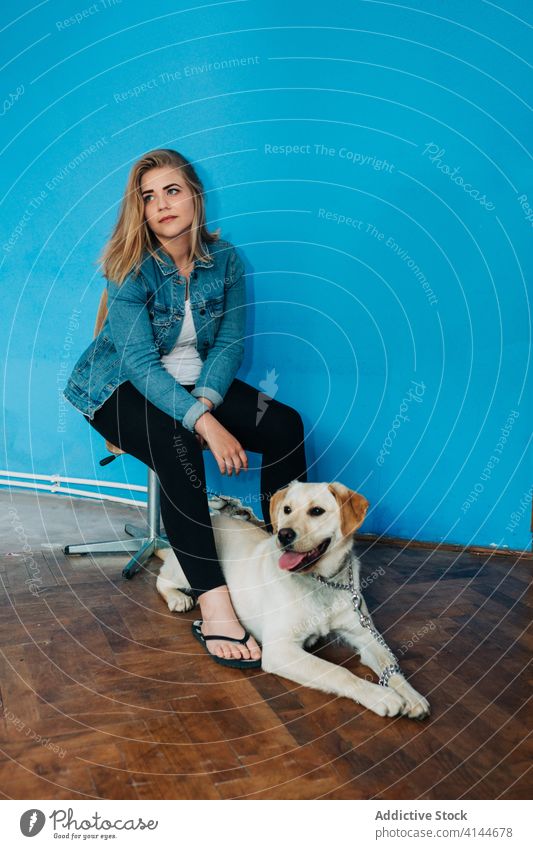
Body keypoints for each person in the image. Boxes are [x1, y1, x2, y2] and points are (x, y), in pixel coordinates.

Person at [63, 148, 308, 668]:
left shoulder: (228, 261)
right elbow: (138, 365)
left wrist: (205, 404)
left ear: (194, 196)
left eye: (171, 191)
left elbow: (228, 346)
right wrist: (204, 425)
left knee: (285, 424)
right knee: (177, 444)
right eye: (148, 198)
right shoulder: (129, 268)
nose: (161, 205)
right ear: (141, 211)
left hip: (200, 385)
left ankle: (282, 558)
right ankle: (214, 604)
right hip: (115, 390)